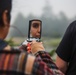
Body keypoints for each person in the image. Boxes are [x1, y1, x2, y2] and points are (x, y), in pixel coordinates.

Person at [0, 0, 64, 75]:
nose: (39, 30)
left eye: (40, 27)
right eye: (35, 26)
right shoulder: (24, 62)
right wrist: (41, 53)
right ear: (5, 17)